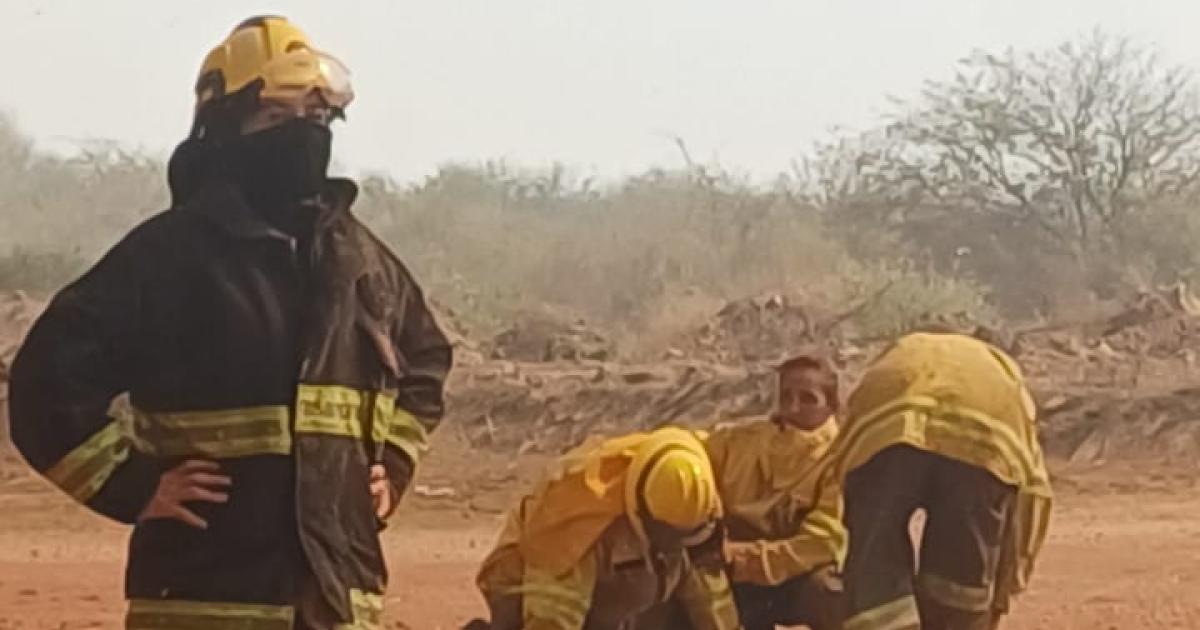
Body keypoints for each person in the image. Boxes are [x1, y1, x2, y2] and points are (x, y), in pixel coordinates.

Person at [8, 15, 452, 630]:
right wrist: (134, 485)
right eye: (277, 120)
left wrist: (392, 468)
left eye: (317, 120)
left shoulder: (360, 263)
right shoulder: (167, 259)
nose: (303, 136)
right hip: (204, 598)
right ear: (225, 133)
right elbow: (44, 383)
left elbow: (426, 361)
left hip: (334, 602)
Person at [828, 332, 1052, 630]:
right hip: (983, 436)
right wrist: (1004, 592)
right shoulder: (1002, 373)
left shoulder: (899, 353)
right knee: (962, 578)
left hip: (888, 421)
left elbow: (843, 468)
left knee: (874, 557)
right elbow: (1033, 496)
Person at [470, 427, 742, 630]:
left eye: (681, 537)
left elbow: (711, 599)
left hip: (621, 603)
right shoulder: (579, 516)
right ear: (640, 509)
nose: (671, 545)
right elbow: (553, 615)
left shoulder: (694, 509)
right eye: (664, 533)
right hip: (536, 592)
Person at [703, 355, 846, 630]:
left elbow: (822, 542)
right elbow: (695, 452)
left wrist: (740, 559)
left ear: (831, 405)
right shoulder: (740, 440)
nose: (793, 407)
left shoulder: (841, 459)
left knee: (832, 593)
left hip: (796, 578)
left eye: (808, 398)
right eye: (786, 396)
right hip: (724, 572)